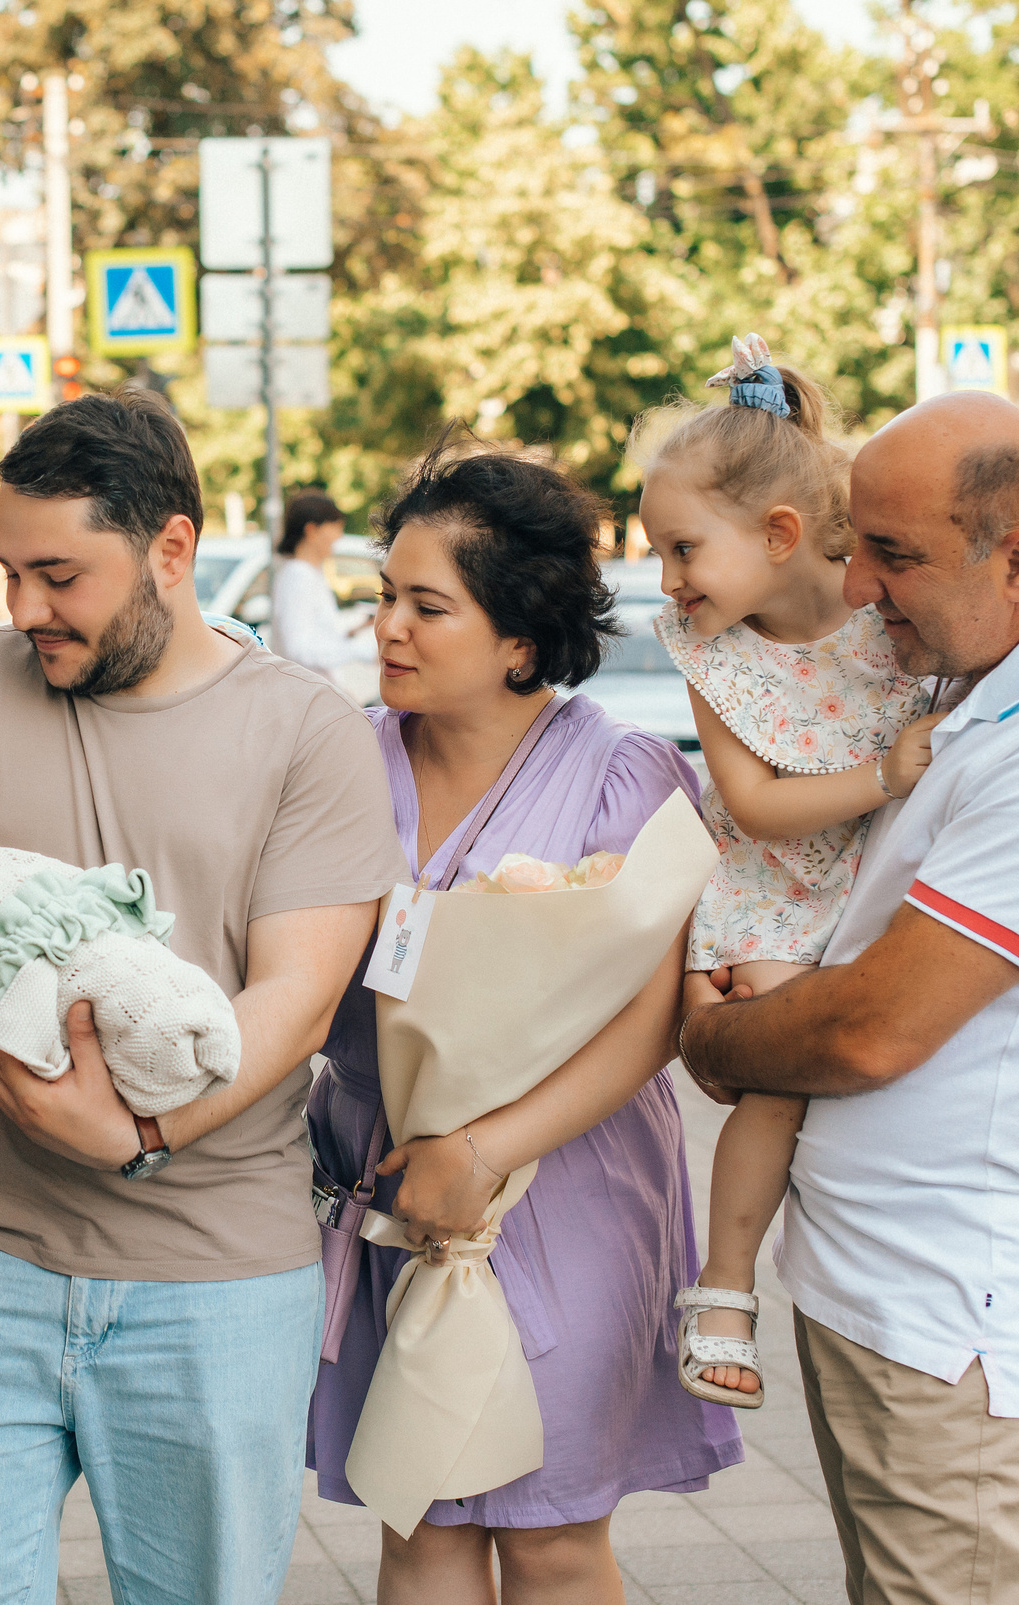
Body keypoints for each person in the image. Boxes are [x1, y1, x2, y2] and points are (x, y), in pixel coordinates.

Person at [0, 388, 403, 1605]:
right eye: (8, 571)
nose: (23, 607)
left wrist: (139, 1133)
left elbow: (294, 994)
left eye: (58, 575)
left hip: (219, 1280)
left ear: (170, 550)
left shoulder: (308, 729)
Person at [675, 392, 1019, 1605]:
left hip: (951, 1300)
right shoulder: (993, 671)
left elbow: (874, 1026)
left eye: (895, 554)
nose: (860, 585)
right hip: (887, 1279)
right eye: (856, 544)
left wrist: (715, 1033)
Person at [635, 336, 1019, 1407]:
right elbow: (759, 804)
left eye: (681, 549)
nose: (667, 580)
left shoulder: (895, 603)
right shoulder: (712, 653)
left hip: (876, 875)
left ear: (778, 534)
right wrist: (881, 770)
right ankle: (724, 1282)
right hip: (774, 882)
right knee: (769, 1079)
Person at [304, 442, 743, 1604]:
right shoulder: (339, 761)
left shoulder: (623, 774)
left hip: (565, 1179)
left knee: (552, 1531)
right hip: (389, 1172)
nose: (388, 626)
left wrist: (483, 1150)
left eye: (425, 605)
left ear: (518, 635)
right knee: (425, 1519)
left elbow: (652, 1014)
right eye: (382, 595)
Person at [270, 487, 376, 685]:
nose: (339, 536)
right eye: (335, 527)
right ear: (311, 530)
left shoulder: (309, 574)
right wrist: (363, 651)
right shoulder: (298, 576)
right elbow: (299, 649)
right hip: (304, 699)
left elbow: (319, 633)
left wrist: (358, 625)